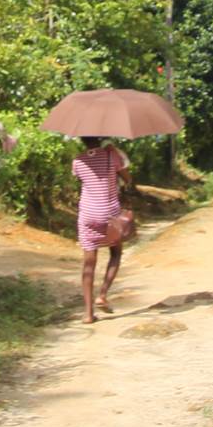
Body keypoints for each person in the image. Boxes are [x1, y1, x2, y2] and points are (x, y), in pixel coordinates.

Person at [72, 136, 132, 324]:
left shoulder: (78, 160)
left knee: (89, 263)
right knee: (115, 253)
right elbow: (128, 179)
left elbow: (84, 180)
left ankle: (88, 314)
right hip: (109, 214)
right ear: (100, 136)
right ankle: (103, 294)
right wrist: (115, 152)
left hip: (88, 215)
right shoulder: (111, 155)